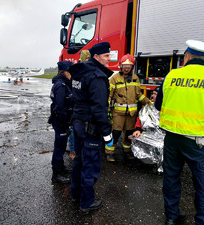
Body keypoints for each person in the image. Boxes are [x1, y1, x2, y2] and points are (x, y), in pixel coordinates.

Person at [155, 40, 204, 225]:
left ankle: (172, 217)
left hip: (171, 138)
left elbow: (158, 105)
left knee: (171, 179)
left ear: (186, 57)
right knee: (203, 185)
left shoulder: (171, 75)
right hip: (197, 141)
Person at [69, 42, 113, 212]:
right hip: (90, 127)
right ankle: (86, 202)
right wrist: (107, 133)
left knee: (79, 161)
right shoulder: (97, 76)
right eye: (106, 56)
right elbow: (99, 108)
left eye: (109, 55)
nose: (109, 59)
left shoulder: (80, 72)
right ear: (96, 57)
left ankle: (76, 194)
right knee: (90, 165)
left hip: (78, 123)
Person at [106, 54, 150, 162]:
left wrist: (149, 103)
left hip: (131, 113)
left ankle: (127, 151)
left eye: (129, 67)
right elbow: (109, 95)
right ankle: (109, 152)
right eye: (125, 66)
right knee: (115, 134)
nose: (126, 68)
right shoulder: (114, 78)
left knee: (129, 134)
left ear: (132, 68)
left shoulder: (135, 78)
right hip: (117, 113)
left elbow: (139, 94)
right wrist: (106, 110)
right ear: (121, 66)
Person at [48, 61, 73, 184]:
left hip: (60, 120)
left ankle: (61, 167)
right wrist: (65, 124)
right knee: (59, 147)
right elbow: (60, 108)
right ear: (65, 72)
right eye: (70, 72)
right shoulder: (61, 86)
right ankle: (56, 174)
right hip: (60, 121)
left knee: (61, 146)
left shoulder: (62, 83)